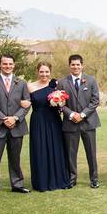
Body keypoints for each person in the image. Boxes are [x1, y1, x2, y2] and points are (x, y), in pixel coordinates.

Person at [0, 54, 31, 200]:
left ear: (14, 65)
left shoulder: (21, 83)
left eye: (10, 64)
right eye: (5, 64)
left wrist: (15, 118)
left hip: (17, 127)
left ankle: (17, 184)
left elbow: (27, 103)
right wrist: (4, 119)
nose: (8, 66)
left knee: (15, 158)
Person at [55, 54, 101, 189]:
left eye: (78, 64)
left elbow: (95, 101)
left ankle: (94, 179)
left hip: (88, 122)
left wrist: (82, 114)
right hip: (70, 123)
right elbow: (59, 103)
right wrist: (71, 114)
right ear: (69, 65)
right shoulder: (62, 82)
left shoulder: (91, 80)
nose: (75, 67)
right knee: (70, 153)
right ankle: (72, 178)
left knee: (91, 152)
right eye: (73, 64)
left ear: (82, 65)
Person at [26, 61, 71, 192]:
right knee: (40, 148)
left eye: (46, 72)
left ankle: (58, 179)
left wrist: (59, 102)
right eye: (41, 71)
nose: (44, 74)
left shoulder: (56, 85)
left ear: (50, 72)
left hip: (54, 121)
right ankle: (42, 181)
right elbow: (25, 102)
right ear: (37, 72)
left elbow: (63, 104)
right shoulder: (30, 86)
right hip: (38, 121)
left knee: (56, 148)